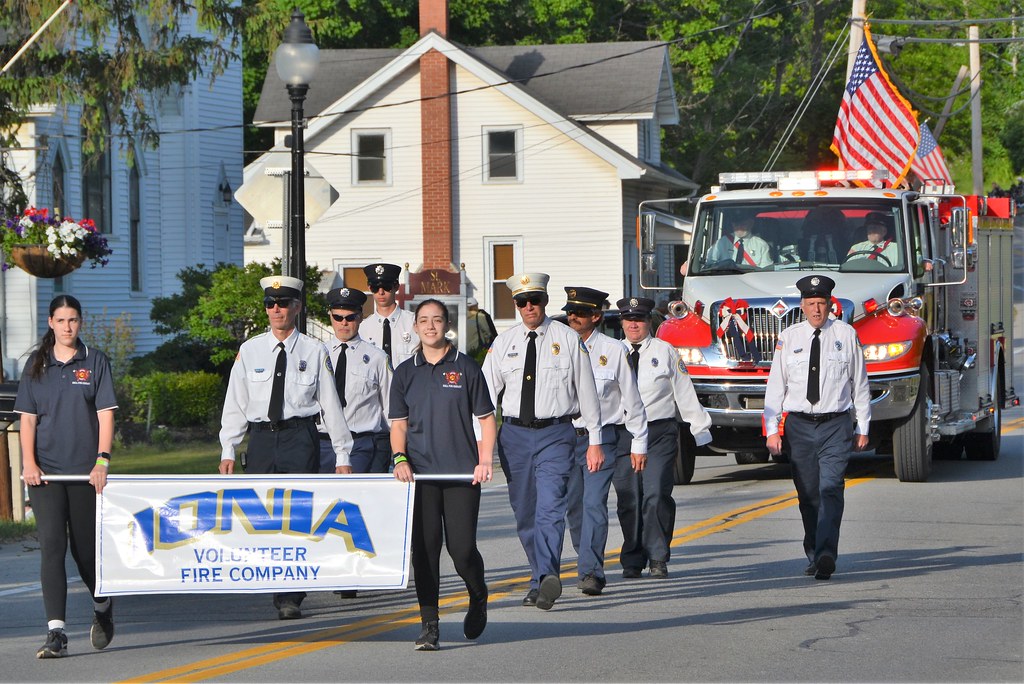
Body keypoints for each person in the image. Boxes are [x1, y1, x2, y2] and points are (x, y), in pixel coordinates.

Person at [219, 275, 354, 620]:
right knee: (264, 514)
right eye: (270, 304)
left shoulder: (313, 350)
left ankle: (291, 594)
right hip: (262, 439)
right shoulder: (250, 351)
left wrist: (341, 453)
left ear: (296, 308)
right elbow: (236, 402)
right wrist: (229, 448)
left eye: (282, 304)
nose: (275, 309)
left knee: (296, 516)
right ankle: (274, 579)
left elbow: (330, 404)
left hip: (300, 437)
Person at [481, 273, 603, 611]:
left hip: (556, 434)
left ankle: (545, 575)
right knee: (525, 512)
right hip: (515, 436)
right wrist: (480, 446)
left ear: (545, 301)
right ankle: (540, 577)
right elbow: (484, 398)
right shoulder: (503, 344)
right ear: (516, 306)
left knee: (551, 506)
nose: (529, 306)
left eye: (534, 300)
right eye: (522, 302)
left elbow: (587, 392)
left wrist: (595, 440)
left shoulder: (567, 338)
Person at [390, 298, 496, 651]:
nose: (430, 326)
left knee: (462, 550)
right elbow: (399, 425)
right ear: (415, 327)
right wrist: (399, 458)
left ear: (446, 324)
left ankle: (478, 594)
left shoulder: (465, 367)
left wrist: (484, 461)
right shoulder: (405, 372)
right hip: (419, 477)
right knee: (424, 550)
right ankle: (429, 624)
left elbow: (485, 419)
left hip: (461, 474)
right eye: (423, 320)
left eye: (436, 320)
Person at [15, 295, 117, 659]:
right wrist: (29, 463)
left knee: (85, 552)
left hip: (86, 474)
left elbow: (106, 414)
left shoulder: (95, 361)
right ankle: (56, 632)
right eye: (61, 320)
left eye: (73, 320)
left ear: (80, 322)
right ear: (50, 323)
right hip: (46, 475)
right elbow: (27, 418)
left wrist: (102, 461)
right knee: (52, 547)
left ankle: (103, 605)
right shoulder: (36, 366)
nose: (68, 327)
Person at [763, 275, 871, 580]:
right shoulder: (789, 337)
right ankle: (813, 550)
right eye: (811, 304)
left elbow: (859, 384)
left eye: (821, 303)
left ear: (829, 304)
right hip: (798, 426)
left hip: (835, 424)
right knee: (808, 493)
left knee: (831, 488)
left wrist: (863, 426)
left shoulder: (846, 335)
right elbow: (776, 386)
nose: (816, 309)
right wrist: (772, 430)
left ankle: (826, 553)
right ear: (802, 305)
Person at [614, 296, 713, 578]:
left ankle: (657, 555)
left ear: (649, 322)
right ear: (622, 322)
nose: (634, 325)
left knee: (656, 493)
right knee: (629, 498)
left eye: (640, 319)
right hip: (623, 433)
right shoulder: (611, 353)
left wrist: (699, 428)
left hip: (659, 432)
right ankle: (633, 556)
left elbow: (683, 391)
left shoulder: (665, 351)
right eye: (629, 320)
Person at [562, 286, 648, 596]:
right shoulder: (559, 346)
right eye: (570, 311)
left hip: (603, 439)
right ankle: (585, 554)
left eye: (580, 312)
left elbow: (632, 398)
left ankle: (590, 571)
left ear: (596, 316)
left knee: (593, 503)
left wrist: (639, 441)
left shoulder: (613, 351)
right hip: (565, 438)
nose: (572, 316)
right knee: (574, 507)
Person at [320, 286, 391, 475]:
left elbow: (389, 407)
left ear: (360, 317)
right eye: (338, 317)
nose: (344, 323)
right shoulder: (317, 354)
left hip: (362, 445)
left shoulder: (377, 358)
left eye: (350, 317)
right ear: (330, 316)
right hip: (322, 443)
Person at [361, 263, 419, 368]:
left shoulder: (414, 323)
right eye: (375, 287)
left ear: (396, 286)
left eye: (386, 287)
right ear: (369, 288)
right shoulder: (363, 328)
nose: (381, 292)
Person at [708, 212, 773, 267]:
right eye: (736, 224)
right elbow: (710, 264)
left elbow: (765, 270)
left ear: (751, 224)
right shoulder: (722, 242)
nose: (739, 227)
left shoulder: (761, 245)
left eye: (743, 224)